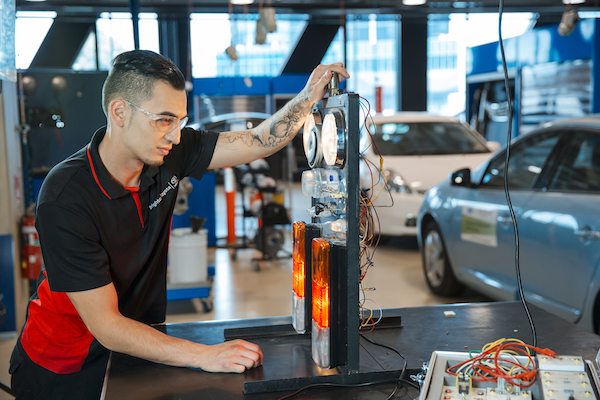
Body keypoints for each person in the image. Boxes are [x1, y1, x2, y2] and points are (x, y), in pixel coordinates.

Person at [9, 49, 349, 399]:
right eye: (163, 120)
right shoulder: (65, 196)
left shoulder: (169, 152)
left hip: (136, 343)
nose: (174, 135)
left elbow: (258, 141)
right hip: (63, 364)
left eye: (180, 121)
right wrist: (205, 355)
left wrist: (308, 97)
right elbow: (107, 326)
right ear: (119, 112)